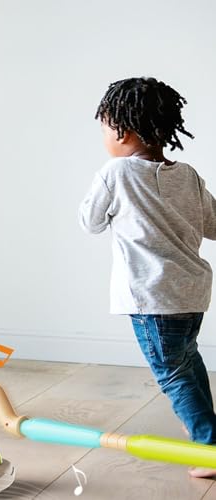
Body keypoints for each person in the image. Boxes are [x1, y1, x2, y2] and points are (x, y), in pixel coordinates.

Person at [79, 76, 216, 478]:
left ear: (122, 131)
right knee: (187, 362)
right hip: (192, 293)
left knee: (173, 374)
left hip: (151, 297)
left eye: (104, 128)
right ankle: (209, 431)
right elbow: (214, 225)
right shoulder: (187, 175)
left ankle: (209, 447)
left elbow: (90, 222)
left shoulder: (116, 172)